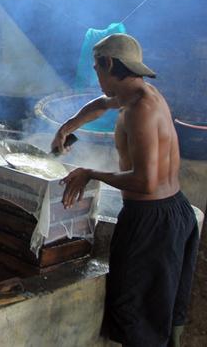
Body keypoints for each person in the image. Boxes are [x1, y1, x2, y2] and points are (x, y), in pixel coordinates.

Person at [51, 33, 198, 347]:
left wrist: (90, 173)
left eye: (96, 68)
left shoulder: (140, 111)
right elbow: (101, 104)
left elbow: (146, 182)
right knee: (155, 310)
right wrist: (68, 127)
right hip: (170, 212)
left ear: (108, 63)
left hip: (153, 221)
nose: (96, 75)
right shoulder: (137, 92)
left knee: (138, 315)